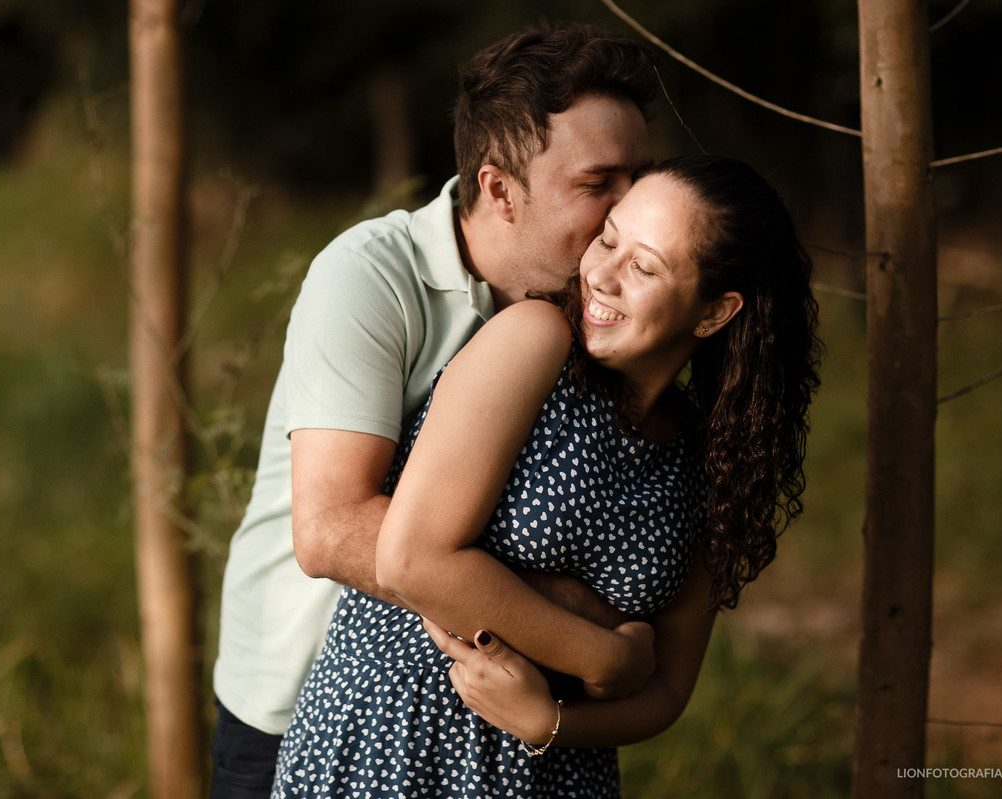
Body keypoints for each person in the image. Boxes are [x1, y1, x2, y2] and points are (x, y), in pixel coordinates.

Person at [270, 154, 822, 798]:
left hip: (558, 775)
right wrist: (604, 656)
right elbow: (410, 561)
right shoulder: (535, 341)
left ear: (715, 312)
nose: (604, 276)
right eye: (608, 239)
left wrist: (550, 723)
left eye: (644, 267)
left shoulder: (711, 458)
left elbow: (669, 688)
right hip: (395, 744)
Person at [211, 24, 659, 797]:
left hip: (482, 719)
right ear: (498, 189)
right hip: (305, 709)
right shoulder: (371, 279)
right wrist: (582, 619)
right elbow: (331, 529)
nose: (632, 209)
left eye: (641, 178)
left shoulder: (603, 315)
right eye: (598, 183)